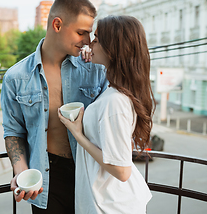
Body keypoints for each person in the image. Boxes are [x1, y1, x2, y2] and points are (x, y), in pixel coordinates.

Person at [1, 0, 108, 213]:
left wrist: (102, 60)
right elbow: (13, 132)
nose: (87, 41)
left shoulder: (96, 69)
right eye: (82, 32)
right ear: (57, 25)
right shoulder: (16, 77)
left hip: (91, 174)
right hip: (49, 179)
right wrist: (21, 171)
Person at [58, 15, 155, 213]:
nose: (89, 43)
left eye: (97, 39)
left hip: (112, 206)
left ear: (113, 49)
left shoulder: (115, 101)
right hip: (108, 201)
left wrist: (78, 134)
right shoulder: (115, 92)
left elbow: (121, 170)